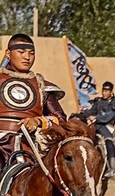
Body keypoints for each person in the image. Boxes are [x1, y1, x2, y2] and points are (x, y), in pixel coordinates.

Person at [0, 34, 67, 170]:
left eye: (31, 53)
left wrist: (38, 121)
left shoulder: (41, 86)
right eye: (21, 52)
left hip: (30, 148)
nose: (27, 57)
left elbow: (61, 120)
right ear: (8, 53)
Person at [79, 81, 115, 178]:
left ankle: (111, 168)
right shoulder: (98, 101)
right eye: (104, 90)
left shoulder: (114, 104)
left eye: (107, 91)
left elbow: (108, 117)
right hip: (95, 126)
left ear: (111, 92)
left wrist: (95, 118)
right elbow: (91, 111)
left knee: (108, 142)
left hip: (107, 127)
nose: (104, 93)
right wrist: (83, 113)